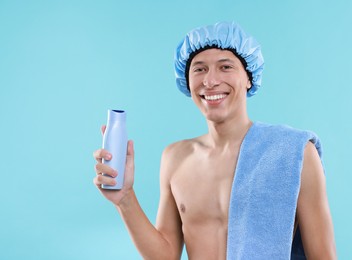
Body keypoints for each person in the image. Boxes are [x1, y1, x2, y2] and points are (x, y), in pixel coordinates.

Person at [93, 22, 337, 259]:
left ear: (249, 77)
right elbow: (165, 256)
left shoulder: (295, 153)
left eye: (225, 67)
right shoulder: (176, 158)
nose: (210, 81)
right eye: (199, 69)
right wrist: (125, 199)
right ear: (187, 81)